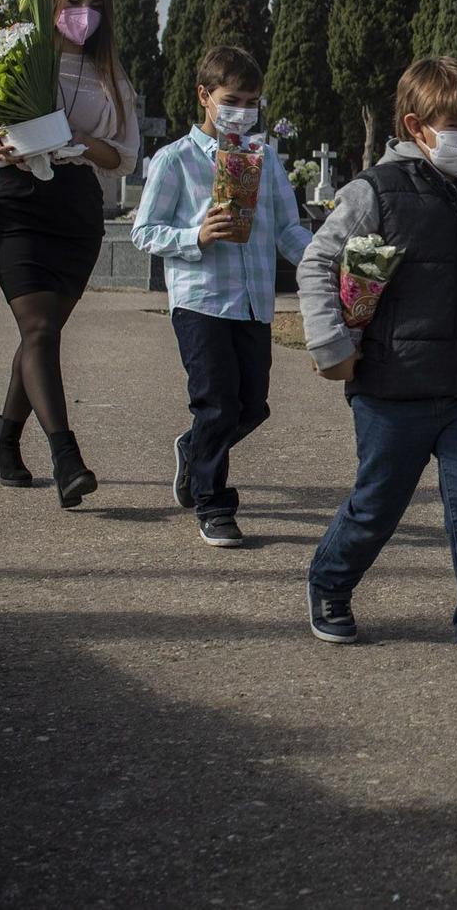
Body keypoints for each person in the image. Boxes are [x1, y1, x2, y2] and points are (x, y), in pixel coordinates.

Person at [297, 57, 457, 687]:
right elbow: (318, 264)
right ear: (417, 125)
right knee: (377, 505)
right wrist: (332, 348)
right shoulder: (375, 192)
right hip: (391, 387)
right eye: (456, 125)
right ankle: (330, 579)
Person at [0, 0, 140, 508]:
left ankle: (3, 443)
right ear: (52, 0)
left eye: (96, 4)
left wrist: (79, 139)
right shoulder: (14, 57)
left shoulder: (113, 78)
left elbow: (123, 159)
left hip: (75, 211)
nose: (84, 13)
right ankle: (66, 457)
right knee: (38, 328)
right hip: (17, 203)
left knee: (43, 333)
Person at [131, 45, 312, 548]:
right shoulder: (175, 160)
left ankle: (193, 449)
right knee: (216, 404)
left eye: (252, 102)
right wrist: (196, 235)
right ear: (204, 96)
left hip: (253, 302)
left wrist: (325, 263)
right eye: (233, 99)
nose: (243, 111)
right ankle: (213, 503)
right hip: (200, 301)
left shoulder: (265, 159)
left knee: (251, 405)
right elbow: (144, 232)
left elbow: (288, 230)